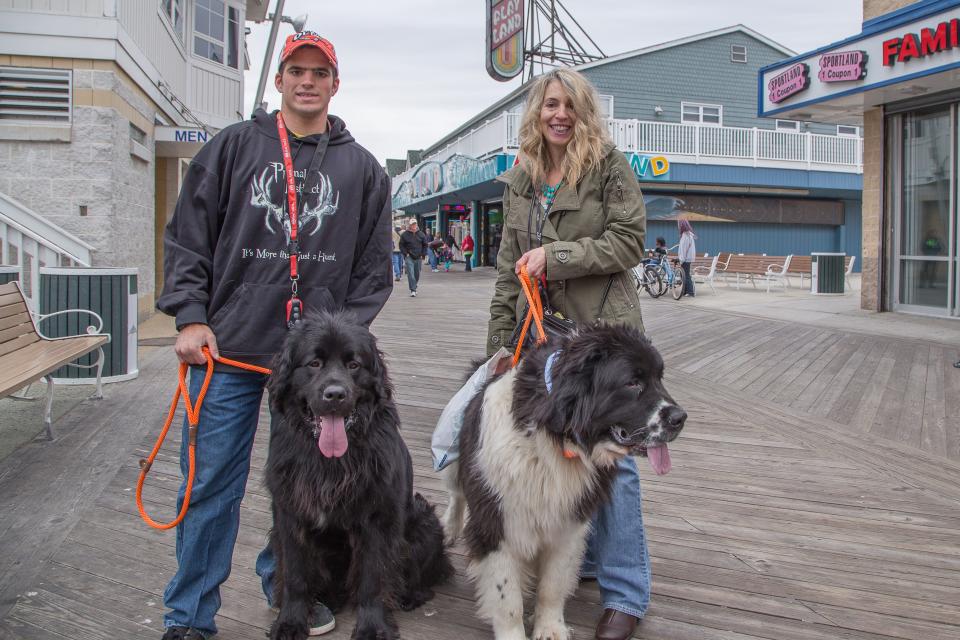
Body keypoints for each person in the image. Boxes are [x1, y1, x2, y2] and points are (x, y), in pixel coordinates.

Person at [155, 31, 392, 640]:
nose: (307, 81)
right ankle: (189, 618)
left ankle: (289, 591)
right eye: (296, 71)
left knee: (302, 490)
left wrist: (343, 345)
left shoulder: (362, 168)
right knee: (210, 486)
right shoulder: (232, 148)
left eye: (319, 72)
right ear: (279, 81)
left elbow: (372, 267)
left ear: (335, 84)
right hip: (229, 350)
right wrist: (191, 314)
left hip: (317, 370)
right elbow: (188, 237)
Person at [486, 67, 650, 640]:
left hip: (603, 335)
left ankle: (625, 592)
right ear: (537, 111)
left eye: (570, 106)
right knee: (553, 455)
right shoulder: (522, 177)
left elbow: (630, 239)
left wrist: (556, 257)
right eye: (550, 104)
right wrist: (500, 350)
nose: (560, 115)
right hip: (540, 344)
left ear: (584, 112)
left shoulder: (608, 166)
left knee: (614, 458)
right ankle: (566, 562)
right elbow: (509, 270)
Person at [399, 217, 427, 296]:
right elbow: (401, 245)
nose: (414, 225)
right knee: (410, 273)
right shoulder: (405, 234)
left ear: (416, 224)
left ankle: (414, 285)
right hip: (409, 257)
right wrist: (405, 253)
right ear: (410, 225)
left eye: (415, 224)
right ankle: (413, 290)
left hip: (418, 257)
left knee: (417, 274)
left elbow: (425, 245)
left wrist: (423, 254)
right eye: (412, 224)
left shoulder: (421, 234)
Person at [678, 219, 696, 297]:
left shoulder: (685, 236)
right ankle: (685, 291)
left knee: (685, 275)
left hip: (685, 259)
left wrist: (681, 260)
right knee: (685, 275)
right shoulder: (689, 235)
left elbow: (683, 249)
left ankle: (690, 292)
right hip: (688, 258)